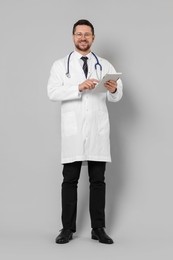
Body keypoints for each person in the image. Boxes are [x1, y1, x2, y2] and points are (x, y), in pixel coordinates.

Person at [47, 19, 123, 244]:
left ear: (93, 38)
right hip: (73, 132)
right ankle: (67, 229)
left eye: (87, 34)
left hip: (97, 131)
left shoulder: (105, 65)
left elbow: (116, 96)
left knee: (98, 180)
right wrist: (78, 87)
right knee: (69, 180)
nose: (83, 38)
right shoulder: (61, 65)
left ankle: (98, 228)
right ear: (73, 37)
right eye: (79, 34)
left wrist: (114, 88)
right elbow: (52, 92)